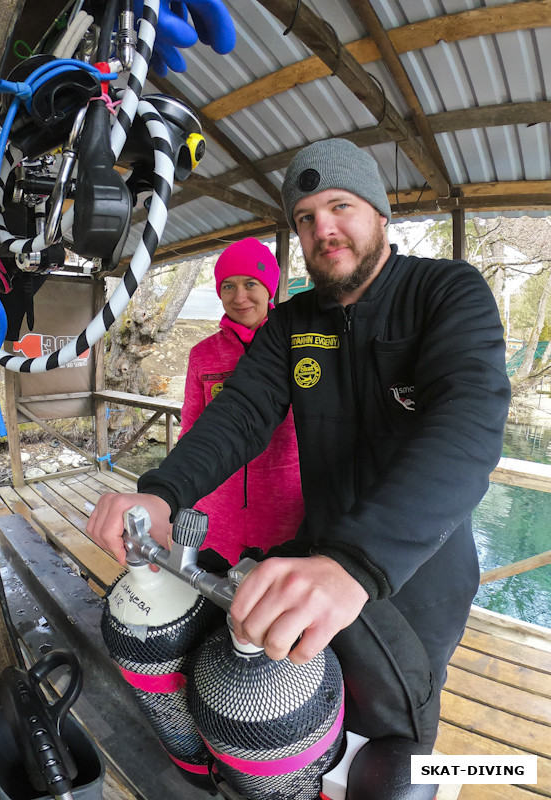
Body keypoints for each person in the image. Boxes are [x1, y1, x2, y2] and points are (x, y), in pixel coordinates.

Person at [87, 138, 510, 763]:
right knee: (311, 712)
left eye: (340, 206)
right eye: (306, 218)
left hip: (418, 571)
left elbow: (468, 424)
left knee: (399, 736)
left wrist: (356, 565)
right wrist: (162, 491)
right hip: (317, 555)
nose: (324, 229)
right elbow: (239, 414)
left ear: (380, 212)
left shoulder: (445, 291)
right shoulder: (293, 323)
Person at [179, 237, 304, 565]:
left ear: (271, 289)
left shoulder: (299, 350)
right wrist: (181, 498)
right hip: (216, 514)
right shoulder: (203, 354)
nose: (239, 297)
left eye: (251, 283)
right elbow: (191, 429)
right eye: (228, 286)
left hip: (286, 513)